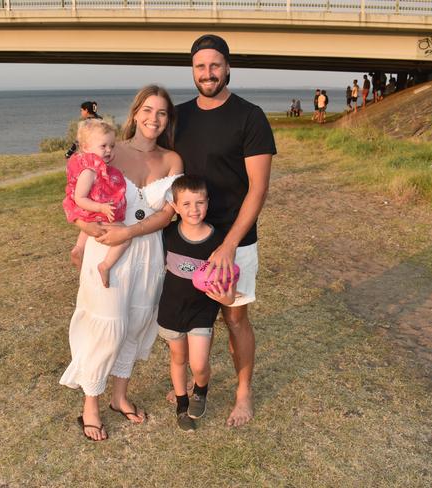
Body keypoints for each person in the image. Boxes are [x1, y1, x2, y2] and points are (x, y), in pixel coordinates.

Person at [59, 85, 183, 441]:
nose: (153, 119)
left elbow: (167, 215)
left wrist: (130, 233)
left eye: (161, 112)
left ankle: (119, 397)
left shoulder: (174, 160)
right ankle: (91, 407)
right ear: (135, 112)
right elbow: (77, 203)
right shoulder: (109, 150)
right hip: (107, 251)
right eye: (147, 110)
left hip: (147, 252)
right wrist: (85, 233)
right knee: (108, 325)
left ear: (168, 119)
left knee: (136, 323)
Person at [175, 34, 276, 427]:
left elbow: (259, 188)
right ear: (193, 71)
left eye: (215, 65)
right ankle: (192, 382)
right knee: (193, 317)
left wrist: (230, 243)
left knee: (234, 319)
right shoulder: (179, 117)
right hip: (188, 238)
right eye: (200, 66)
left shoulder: (250, 117)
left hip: (235, 240)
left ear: (228, 68)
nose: (208, 73)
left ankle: (243, 393)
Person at [158, 176, 236, 431]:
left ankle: (200, 390)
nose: (194, 209)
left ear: (208, 203)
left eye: (200, 203)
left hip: (202, 312)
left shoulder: (218, 241)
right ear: (175, 207)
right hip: (171, 310)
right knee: (178, 358)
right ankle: (181, 405)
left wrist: (224, 297)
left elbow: (229, 293)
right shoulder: (166, 234)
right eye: (187, 204)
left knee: (199, 363)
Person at [62, 119, 128, 287]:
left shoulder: (96, 167)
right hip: (95, 212)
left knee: (88, 228)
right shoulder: (89, 171)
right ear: (86, 147)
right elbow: (79, 198)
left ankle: (79, 248)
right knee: (126, 236)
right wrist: (101, 207)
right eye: (103, 146)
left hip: (92, 213)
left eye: (112, 146)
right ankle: (105, 265)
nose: (108, 150)